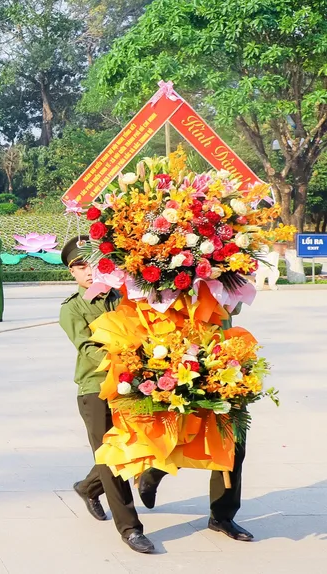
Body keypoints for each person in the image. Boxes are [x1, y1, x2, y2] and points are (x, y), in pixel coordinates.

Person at [59, 236, 153, 554]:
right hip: (95, 389)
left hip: (132, 387)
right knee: (112, 459)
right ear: (71, 272)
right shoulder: (72, 309)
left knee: (139, 447)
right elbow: (87, 349)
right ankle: (130, 528)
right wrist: (126, 363)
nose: (87, 271)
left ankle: (87, 488)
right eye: (79, 266)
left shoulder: (121, 297)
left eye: (92, 264)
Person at [136, 302, 253, 542]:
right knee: (184, 437)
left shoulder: (223, 270)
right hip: (182, 354)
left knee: (233, 445)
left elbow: (235, 305)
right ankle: (155, 472)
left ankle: (222, 516)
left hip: (225, 356)